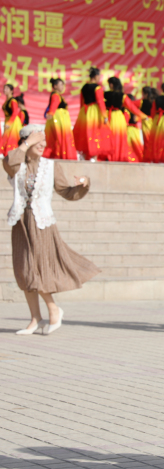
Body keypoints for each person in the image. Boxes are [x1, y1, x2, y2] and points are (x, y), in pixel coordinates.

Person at [4, 125, 100, 335]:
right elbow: (10, 162)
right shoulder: (14, 162)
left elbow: (67, 192)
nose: (42, 144)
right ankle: (35, 319)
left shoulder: (50, 166)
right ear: (25, 141)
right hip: (21, 224)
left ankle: (53, 310)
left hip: (42, 224)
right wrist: (27, 144)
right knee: (24, 270)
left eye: (44, 140)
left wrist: (83, 184)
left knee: (37, 269)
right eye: (37, 140)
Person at [103, 77, 147, 162]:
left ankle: (108, 157)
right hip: (118, 118)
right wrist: (143, 116)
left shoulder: (105, 94)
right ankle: (117, 157)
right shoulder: (122, 96)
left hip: (107, 117)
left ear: (111, 85)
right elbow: (132, 107)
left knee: (107, 137)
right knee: (118, 138)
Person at [73, 67, 110, 161]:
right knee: (95, 133)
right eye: (99, 76)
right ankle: (94, 157)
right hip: (94, 112)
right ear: (96, 76)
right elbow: (101, 102)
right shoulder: (97, 87)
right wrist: (105, 116)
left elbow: (81, 102)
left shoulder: (84, 87)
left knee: (85, 133)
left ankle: (84, 155)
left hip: (84, 112)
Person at [43, 78, 77, 160]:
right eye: (60, 85)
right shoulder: (55, 95)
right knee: (59, 137)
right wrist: (51, 114)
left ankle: (60, 154)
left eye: (63, 85)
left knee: (60, 137)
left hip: (60, 119)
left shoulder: (57, 95)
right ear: (55, 86)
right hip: (58, 119)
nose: (62, 87)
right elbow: (53, 105)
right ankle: (59, 155)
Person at [2, 84, 25, 156]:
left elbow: (15, 113)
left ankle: (12, 155)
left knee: (11, 139)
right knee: (7, 138)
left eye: (7, 89)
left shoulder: (13, 100)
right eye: (4, 88)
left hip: (13, 122)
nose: (4, 90)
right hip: (8, 120)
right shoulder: (7, 100)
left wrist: (9, 123)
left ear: (11, 91)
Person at [138, 87, 157, 162]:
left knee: (147, 143)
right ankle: (154, 159)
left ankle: (147, 159)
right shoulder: (155, 101)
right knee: (154, 143)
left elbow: (132, 105)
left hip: (146, 123)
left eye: (143, 94)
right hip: (155, 122)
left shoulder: (143, 102)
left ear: (146, 94)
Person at [125, 93, 145, 162]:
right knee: (137, 148)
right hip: (135, 130)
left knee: (128, 147)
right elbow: (137, 119)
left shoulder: (126, 109)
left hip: (128, 130)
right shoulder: (136, 109)